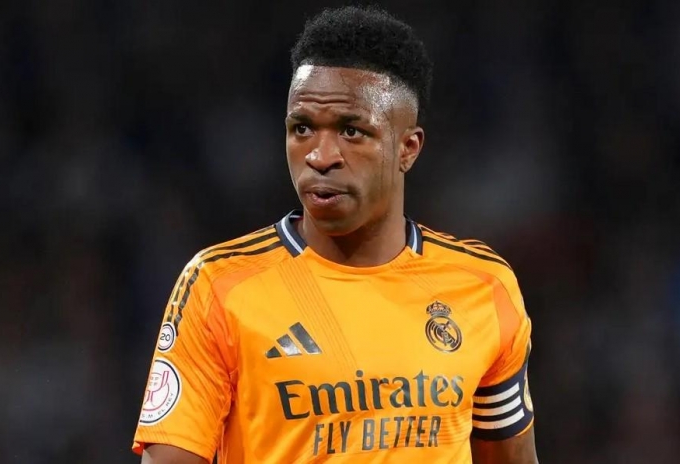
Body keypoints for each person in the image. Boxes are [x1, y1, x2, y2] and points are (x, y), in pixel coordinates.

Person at [132, 6, 538, 464]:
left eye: (351, 131)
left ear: (407, 148)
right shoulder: (219, 286)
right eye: (302, 128)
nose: (320, 156)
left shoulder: (483, 287)